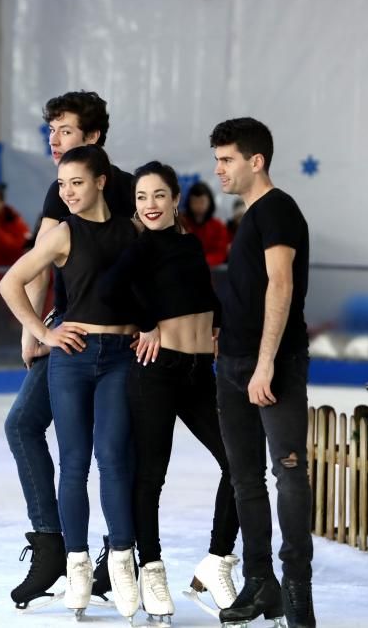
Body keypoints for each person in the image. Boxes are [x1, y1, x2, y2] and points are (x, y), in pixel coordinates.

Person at [2, 90, 135, 609]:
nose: (55, 141)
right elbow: (38, 261)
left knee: (120, 453)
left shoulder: (122, 191)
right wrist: (35, 331)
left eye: (66, 131)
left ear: (94, 138)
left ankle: (117, 555)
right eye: (51, 131)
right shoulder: (64, 192)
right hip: (73, 339)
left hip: (123, 344)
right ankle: (54, 545)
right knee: (25, 426)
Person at [99, 161, 241, 623]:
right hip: (157, 372)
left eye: (158, 195)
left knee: (240, 463)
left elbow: (202, 294)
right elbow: (108, 289)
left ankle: (218, 560)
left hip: (200, 372)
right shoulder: (142, 247)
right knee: (151, 477)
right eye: (141, 197)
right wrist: (146, 325)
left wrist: (217, 324)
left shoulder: (190, 243)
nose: (150, 205)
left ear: (176, 198)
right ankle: (152, 568)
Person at [209, 118, 314, 628]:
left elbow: (280, 284)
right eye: (217, 159)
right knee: (245, 479)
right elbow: (249, 290)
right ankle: (260, 583)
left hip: (270, 366)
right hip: (230, 364)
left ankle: (297, 590)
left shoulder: (278, 210)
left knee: (288, 474)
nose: (218, 169)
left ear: (257, 161)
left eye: (227, 159)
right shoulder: (250, 217)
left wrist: (266, 362)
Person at [183, 181, 229, 266]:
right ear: (189, 203)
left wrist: (202, 261)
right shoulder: (181, 223)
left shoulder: (218, 226)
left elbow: (220, 253)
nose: (198, 206)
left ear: (209, 202)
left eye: (202, 202)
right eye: (195, 202)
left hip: (210, 271)